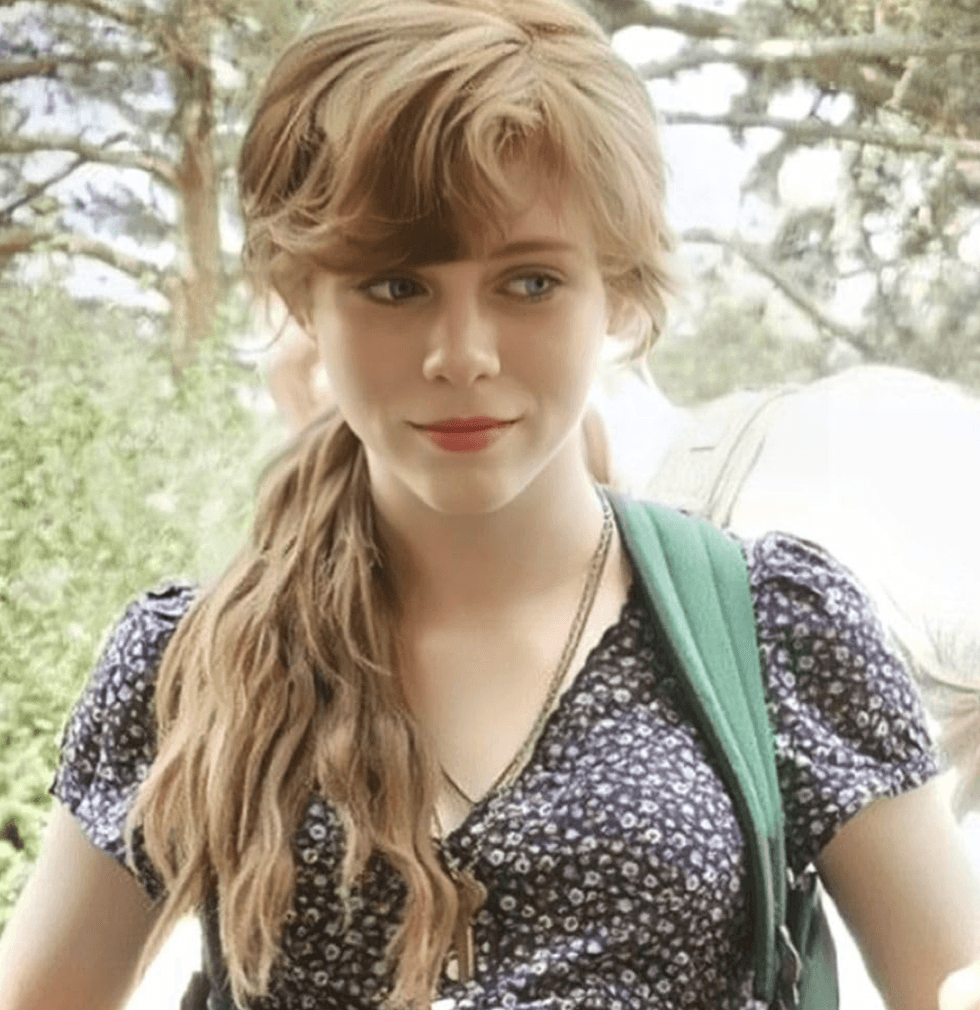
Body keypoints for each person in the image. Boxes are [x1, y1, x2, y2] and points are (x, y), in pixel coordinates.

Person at [2, 1, 980, 1008]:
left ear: (621, 292)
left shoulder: (777, 627)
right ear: (302, 296)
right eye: (394, 286)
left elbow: (944, 978)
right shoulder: (184, 667)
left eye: (527, 282)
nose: (459, 355)